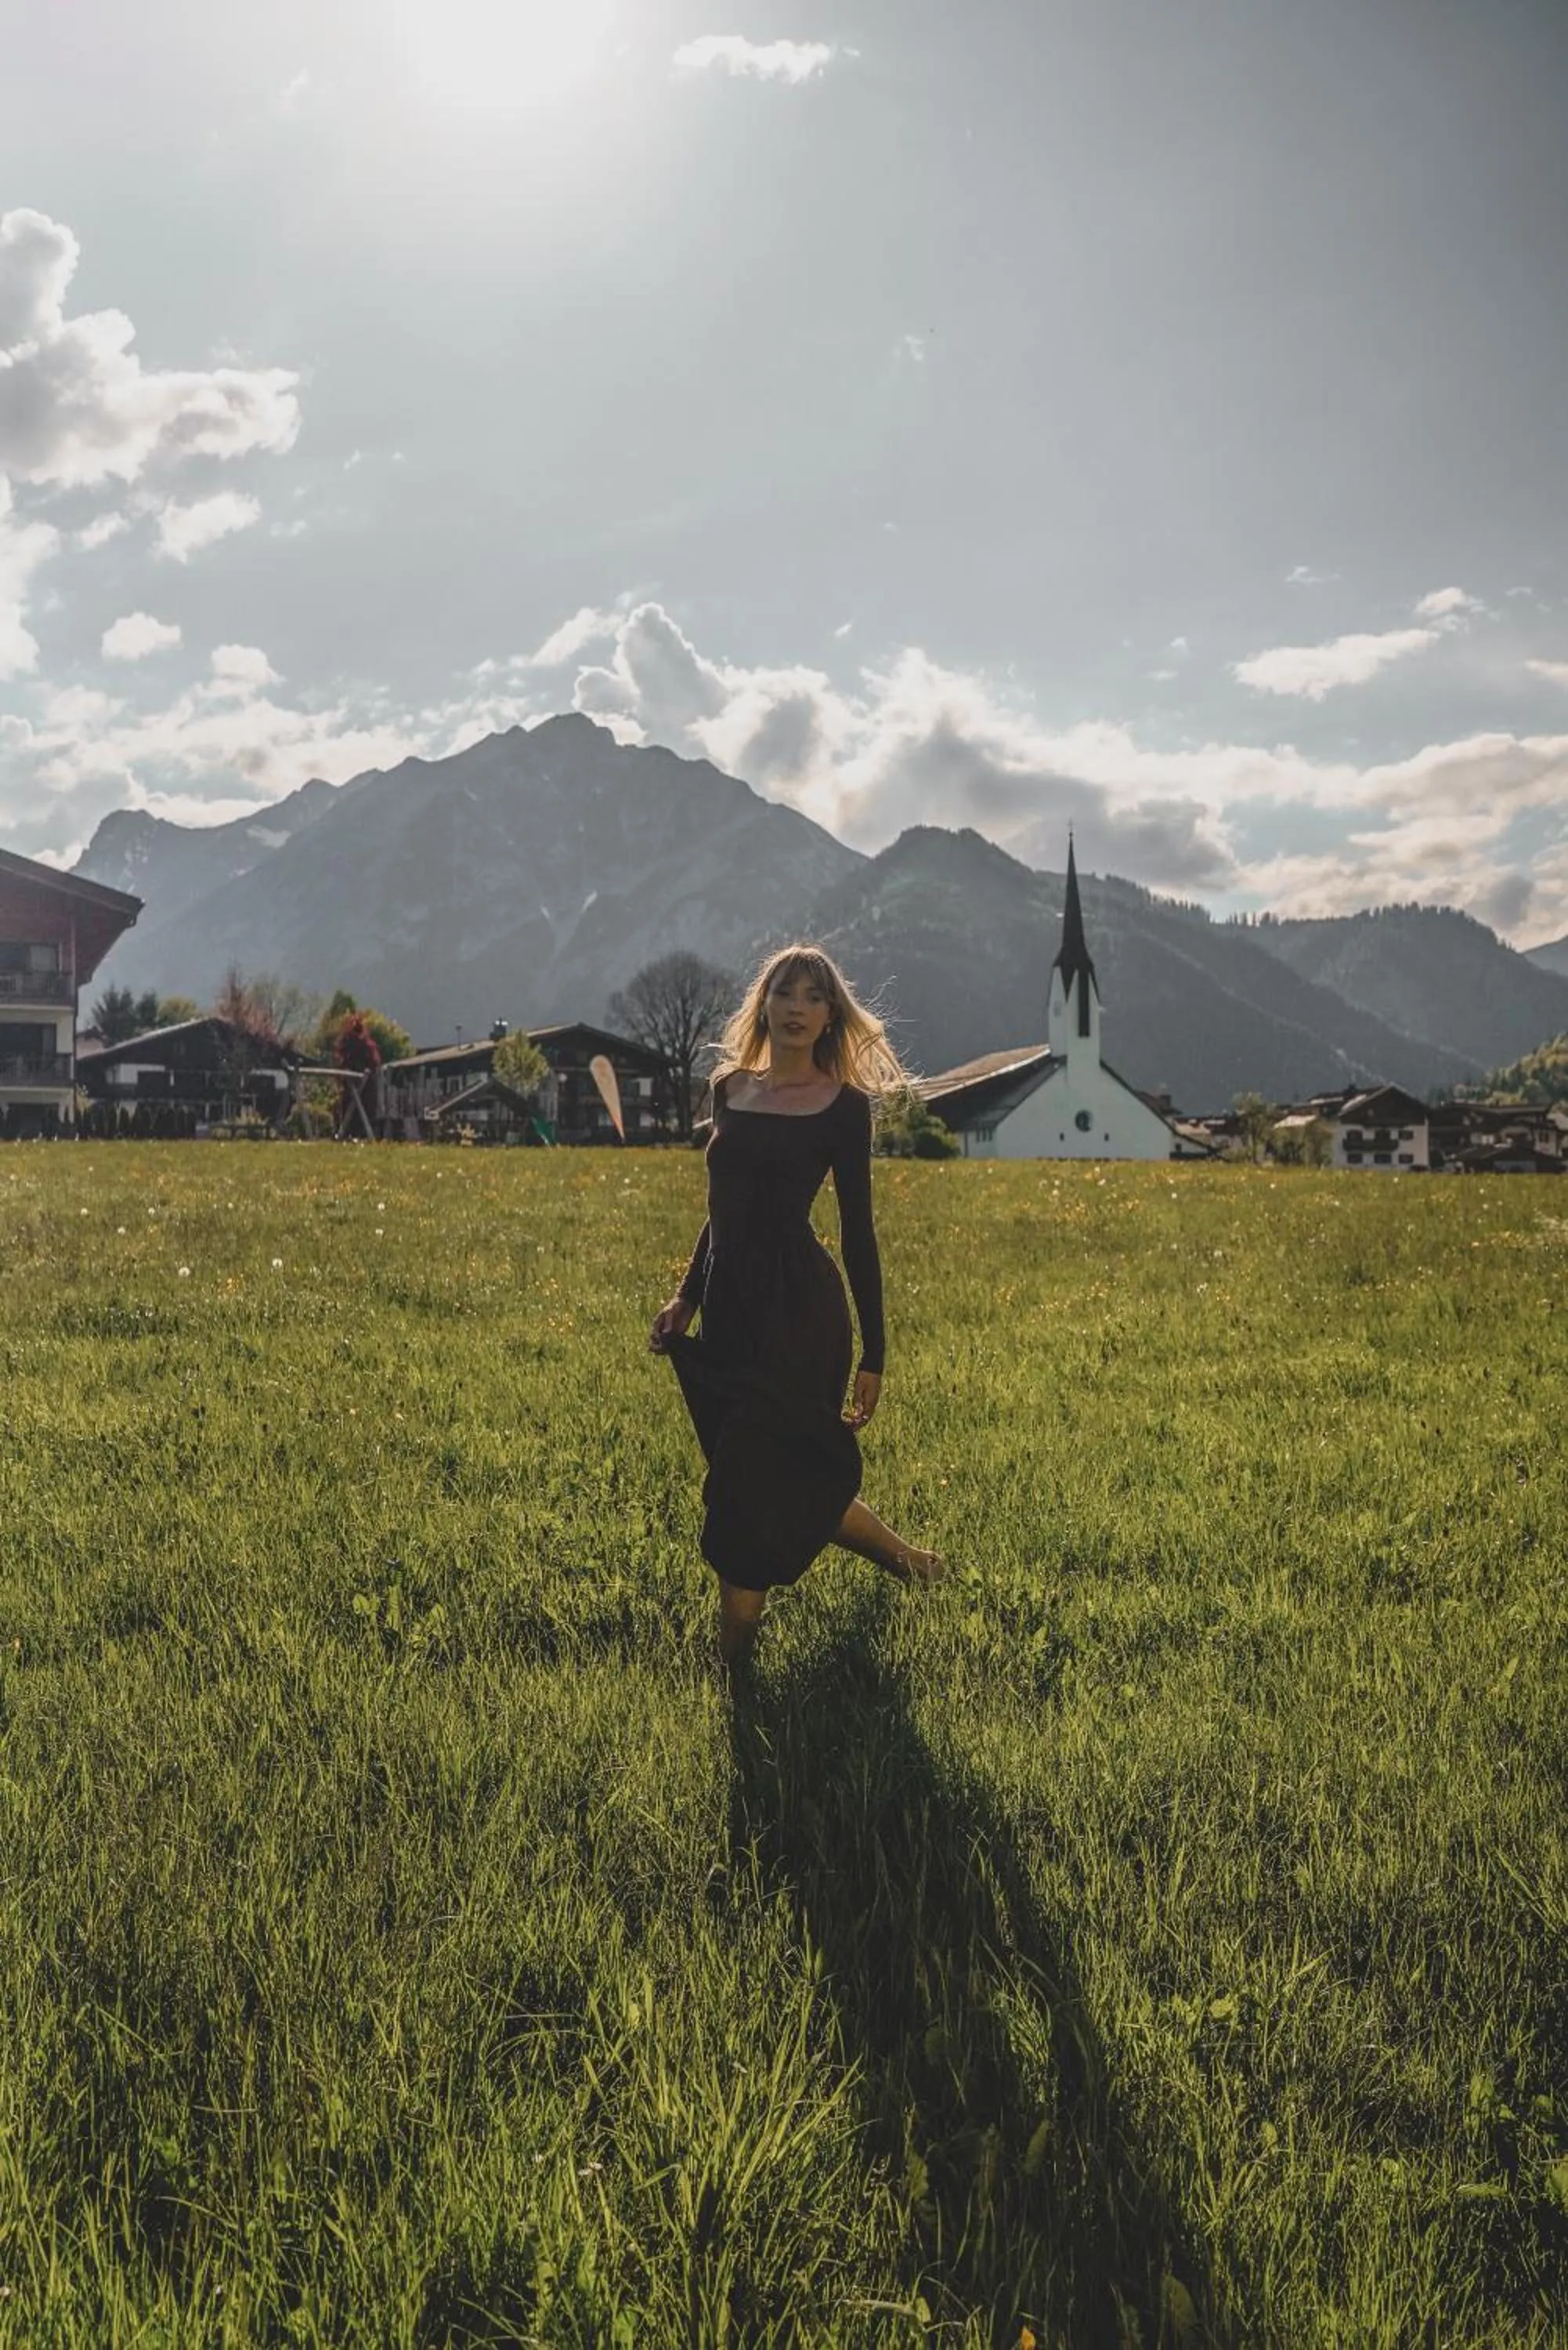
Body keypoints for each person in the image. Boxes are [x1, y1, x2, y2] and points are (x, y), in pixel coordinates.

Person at [649, 942, 943, 1665]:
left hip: (801, 1316)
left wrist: (875, 1354)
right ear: (765, 1002)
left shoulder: (845, 1108)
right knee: (780, 1467)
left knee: (750, 1482)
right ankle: (908, 1561)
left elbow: (857, 1233)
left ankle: (734, 1667)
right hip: (730, 1312)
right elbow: (725, 1210)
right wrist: (688, 1296)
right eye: (786, 993)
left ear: (831, 1015)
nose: (798, 1009)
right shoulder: (728, 1088)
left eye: (815, 997)